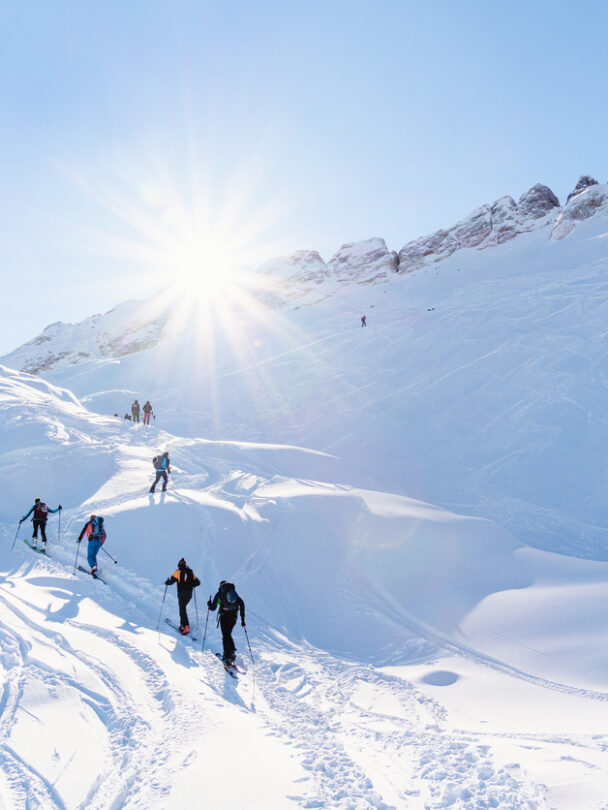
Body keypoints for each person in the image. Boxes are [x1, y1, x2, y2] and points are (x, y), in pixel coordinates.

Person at [207, 580, 245, 663]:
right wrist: (242, 620)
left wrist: (209, 604)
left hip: (224, 617)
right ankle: (231, 652)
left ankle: (227, 657)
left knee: (225, 636)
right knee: (228, 634)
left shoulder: (220, 594)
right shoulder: (233, 592)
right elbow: (241, 603)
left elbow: (213, 608)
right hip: (234, 617)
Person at [165, 558, 200, 634]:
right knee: (182, 609)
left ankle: (186, 626)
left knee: (182, 610)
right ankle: (182, 625)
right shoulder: (190, 572)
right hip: (189, 594)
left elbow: (171, 582)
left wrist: (167, 582)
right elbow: (198, 583)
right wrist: (192, 584)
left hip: (182, 594)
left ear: (179, 565)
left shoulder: (177, 572)